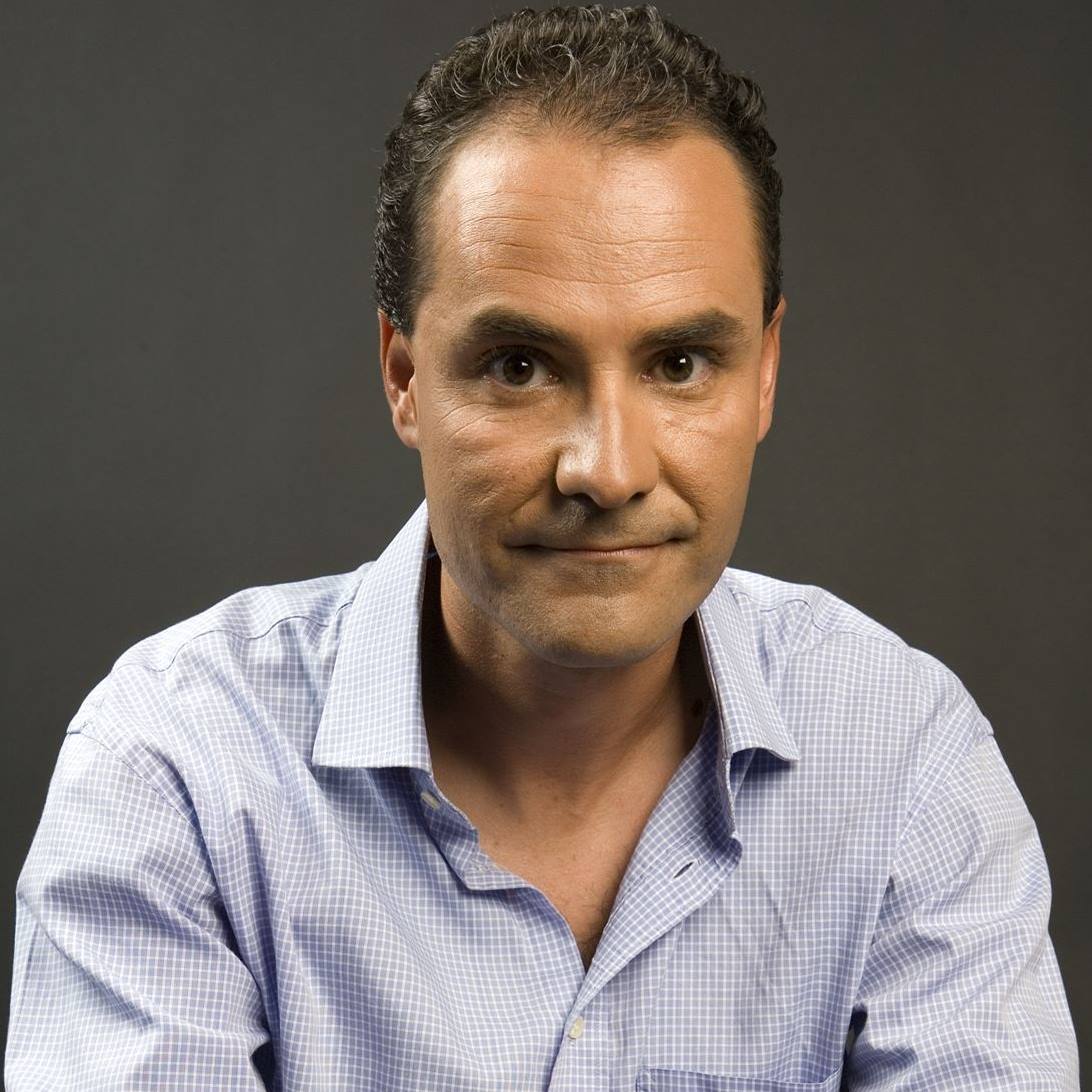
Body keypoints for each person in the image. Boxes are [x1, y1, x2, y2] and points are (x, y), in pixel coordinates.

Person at [5, 5, 1079, 1089]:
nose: (607, 471)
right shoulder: (179, 771)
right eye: (519, 365)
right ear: (404, 377)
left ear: (764, 373)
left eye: (680, 364)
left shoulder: (906, 760)